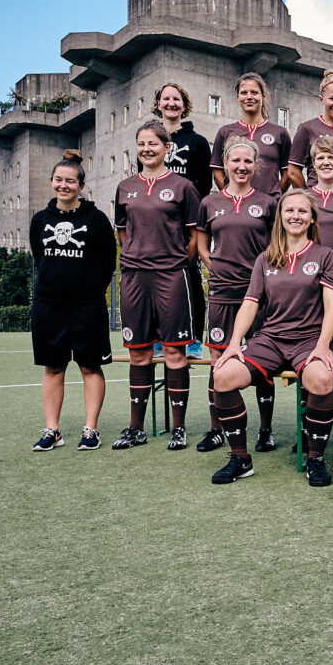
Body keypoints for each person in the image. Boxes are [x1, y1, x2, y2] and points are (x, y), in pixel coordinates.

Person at [210, 188, 333, 487]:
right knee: (223, 375)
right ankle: (240, 459)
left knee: (321, 379)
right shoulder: (266, 258)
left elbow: (332, 306)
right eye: (289, 210)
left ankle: (315, 458)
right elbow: (250, 303)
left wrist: (323, 346)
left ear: (312, 218)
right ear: (280, 217)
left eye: (302, 211)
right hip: (270, 340)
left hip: (309, 339)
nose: (296, 216)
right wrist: (234, 343)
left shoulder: (326, 256)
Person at [112, 120, 201, 452]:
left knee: (175, 351)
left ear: (167, 148)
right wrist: (136, 256)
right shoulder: (125, 187)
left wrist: (176, 262)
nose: (147, 149)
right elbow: (122, 232)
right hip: (135, 277)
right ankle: (136, 429)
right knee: (139, 353)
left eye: (153, 143)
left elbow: (195, 236)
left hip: (171, 276)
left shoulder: (183, 187)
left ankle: (178, 429)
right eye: (141, 144)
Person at [28, 150, 117, 452]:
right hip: (48, 306)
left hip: (87, 307)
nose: (63, 185)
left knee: (90, 367)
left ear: (81, 185)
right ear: (52, 182)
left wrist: (89, 292)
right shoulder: (40, 220)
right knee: (53, 368)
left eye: (69, 181)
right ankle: (52, 430)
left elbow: (108, 261)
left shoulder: (96, 219)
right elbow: (39, 257)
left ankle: (91, 429)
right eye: (58, 180)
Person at [195, 137, 280, 454]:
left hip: (258, 296)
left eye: (248, 161)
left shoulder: (268, 203)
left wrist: (263, 278)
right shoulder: (209, 203)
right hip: (222, 293)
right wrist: (216, 268)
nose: (242, 167)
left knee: (261, 359)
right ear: (225, 165)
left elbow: (276, 247)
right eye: (236, 161)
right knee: (217, 360)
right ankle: (216, 429)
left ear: (255, 166)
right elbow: (202, 245)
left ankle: (266, 430)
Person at [154, 82, 212, 360]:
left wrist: (191, 217)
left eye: (176, 99)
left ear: (184, 105)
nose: (171, 103)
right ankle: (158, 338)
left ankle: (194, 340)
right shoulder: (150, 138)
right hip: (156, 222)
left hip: (186, 223)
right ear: (158, 104)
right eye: (166, 99)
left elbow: (205, 185)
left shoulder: (197, 142)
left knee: (189, 277)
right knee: (155, 279)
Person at [210, 73, 291, 195]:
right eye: (244, 93)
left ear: (263, 96)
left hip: (270, 203)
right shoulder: (225, 132)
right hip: (235, 202)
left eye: (254, 92)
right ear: (238, 97)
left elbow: (288, 174)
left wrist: (273, 198)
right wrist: (232, 195)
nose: (249, 97)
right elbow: (217, 171)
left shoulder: (280, 133)